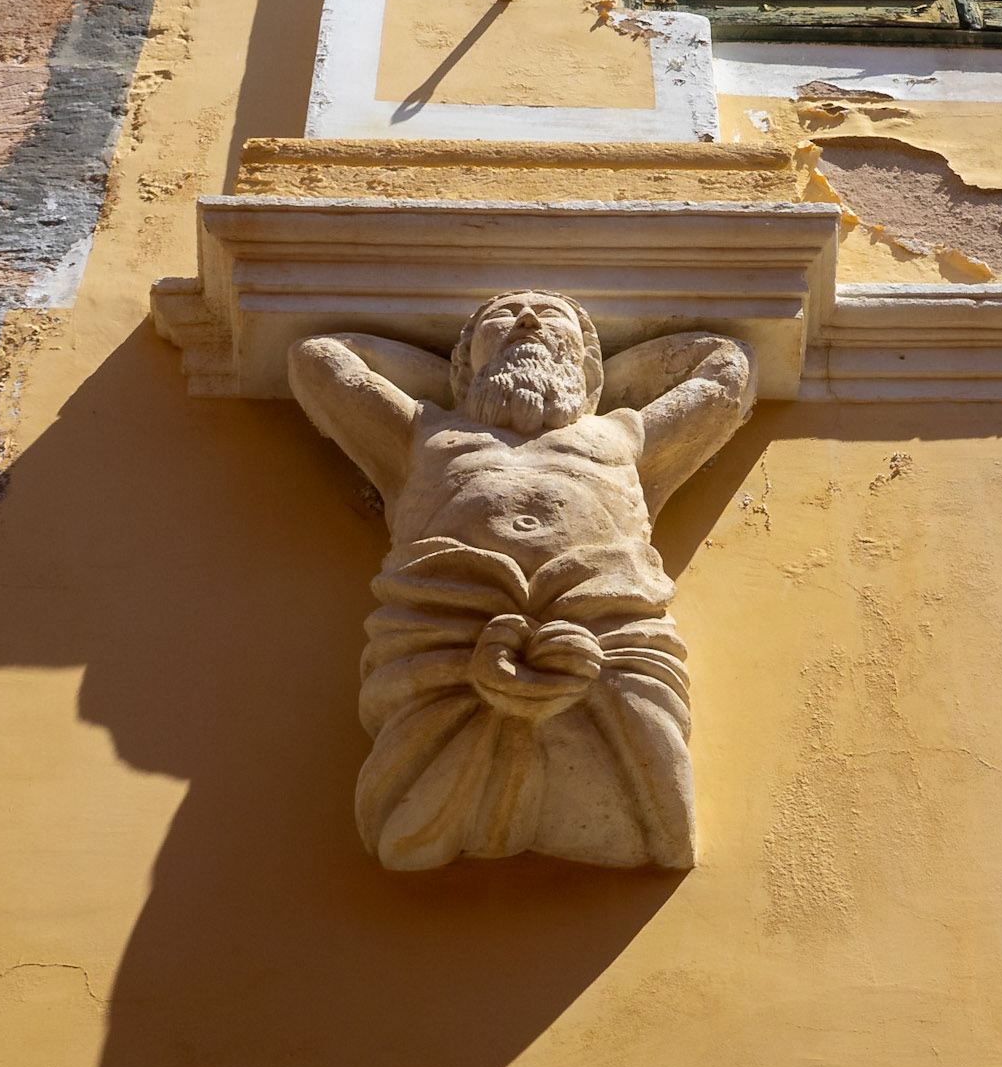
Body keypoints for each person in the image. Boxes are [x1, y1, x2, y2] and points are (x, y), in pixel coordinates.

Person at [289, 292, 756, 871]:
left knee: (656, 796)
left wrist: (602, 375)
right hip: (450, 618)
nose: (528, 320)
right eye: (501, 319)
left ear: (586, 363)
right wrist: (462, 380)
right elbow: (320, 358)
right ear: (466, 362)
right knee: (412, 806)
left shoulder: (621, 437)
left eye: (552, 317)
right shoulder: (424, 434)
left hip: (604, 621)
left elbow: (727, 371)